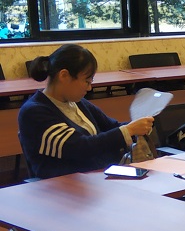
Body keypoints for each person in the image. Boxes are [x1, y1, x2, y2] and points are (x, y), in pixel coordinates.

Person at [18, 44, 154, 179]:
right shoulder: (34, 112)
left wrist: (139, 127)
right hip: (64, 184)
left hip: (96, 177)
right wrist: (129, 130)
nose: (89, 88)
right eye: (86, 81)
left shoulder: (77, 102)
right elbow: (79, 148)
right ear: (64, 76)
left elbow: (111, 126)